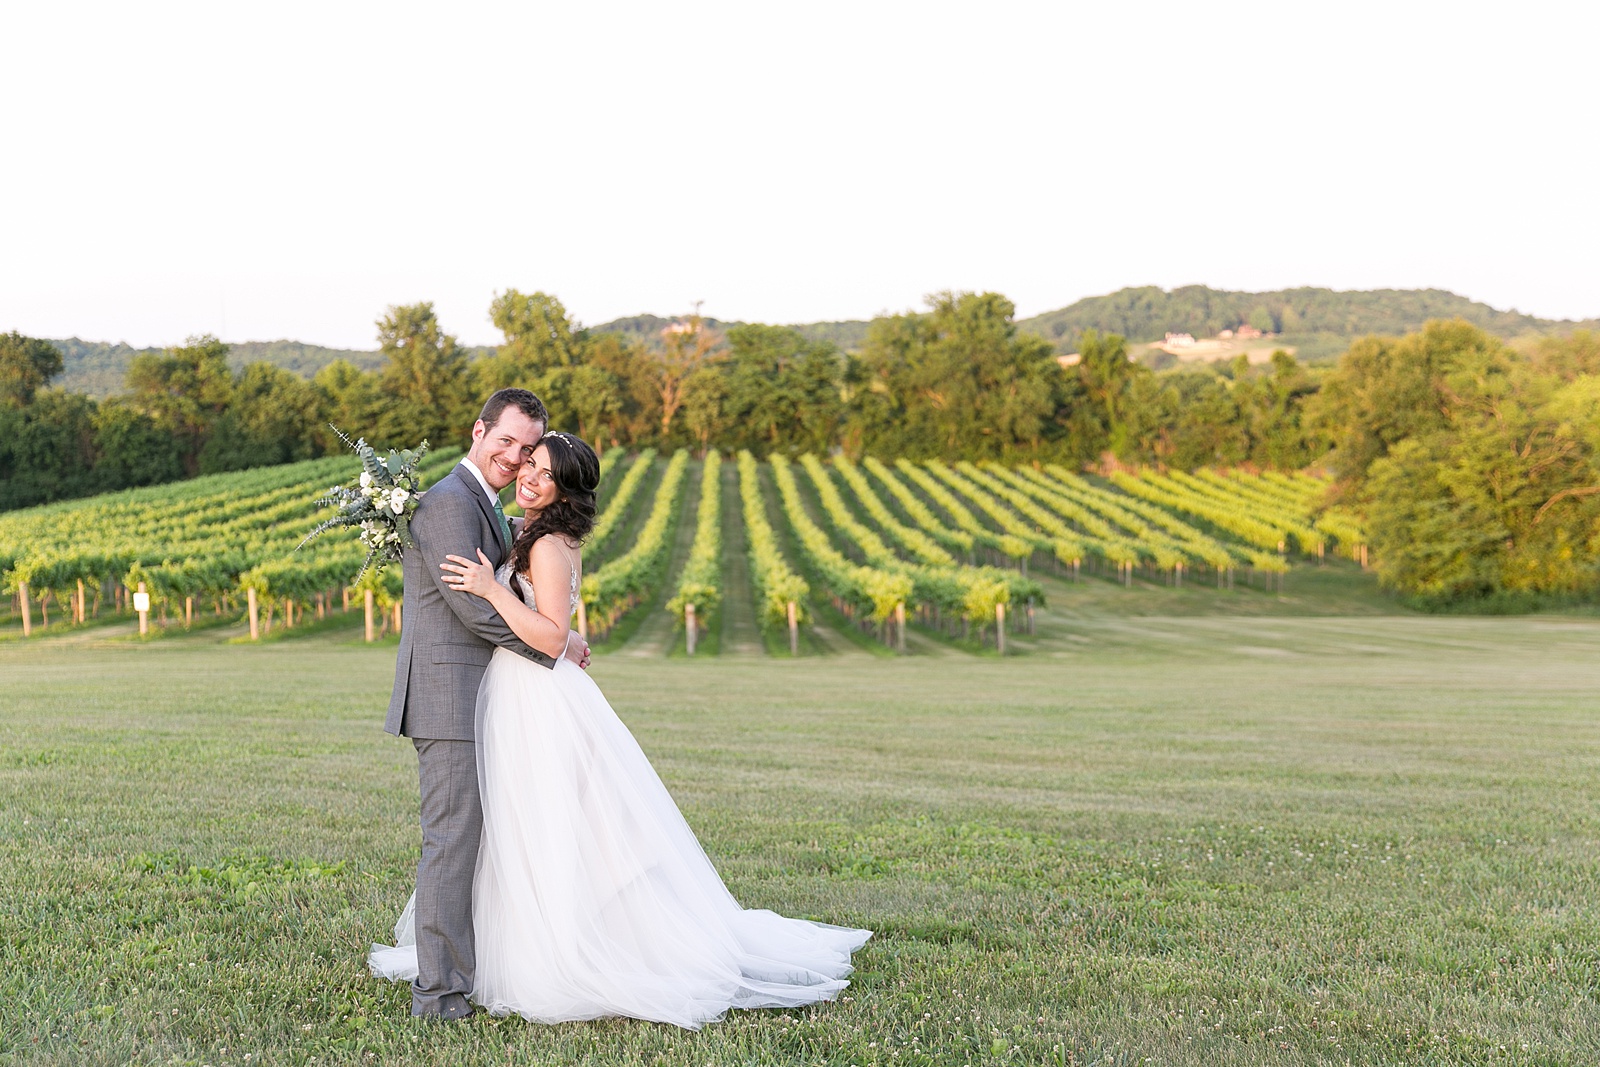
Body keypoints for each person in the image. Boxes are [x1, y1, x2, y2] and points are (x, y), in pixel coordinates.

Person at [371, 431, 869, 1028]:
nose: (529, 476)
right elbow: (553, 625)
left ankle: (566, 952)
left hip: (535, 695)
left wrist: (490, 590)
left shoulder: (547, 545)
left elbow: (550, 636)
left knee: (548, 825)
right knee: (524, 826)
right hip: (519, 689)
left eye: (546, 474)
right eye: (530, 463)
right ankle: (517, 945)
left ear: (566, 492)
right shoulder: (530, 532)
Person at [381, 388, 591, 1020]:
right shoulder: (450, 501)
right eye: (506, 441)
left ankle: (472, 972)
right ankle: (440, 996)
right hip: (450, 697)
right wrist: (554, 646)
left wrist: (558, 634)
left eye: (528, 449)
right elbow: (473, 610)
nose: (516, 457)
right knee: (452, 843)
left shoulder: (489, 506)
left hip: (488, 700)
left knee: (483, 842)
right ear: (479, 431)